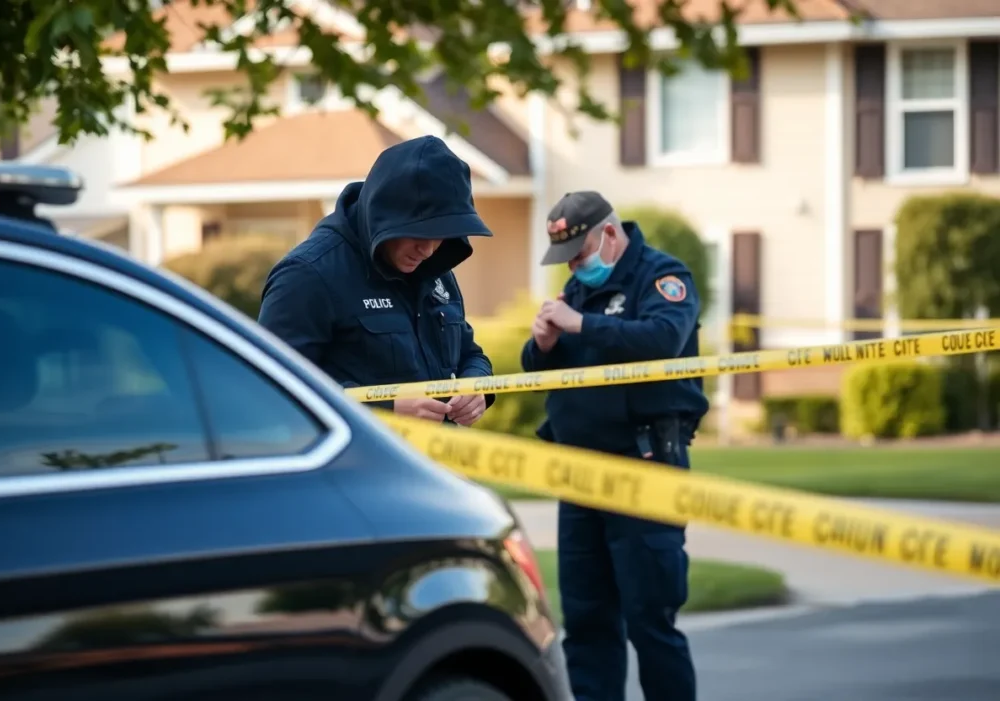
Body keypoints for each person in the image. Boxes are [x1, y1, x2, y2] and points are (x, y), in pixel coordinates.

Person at [521, 191, 710, 701]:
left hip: (644, 466)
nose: (576, 268)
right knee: (586, 622)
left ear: (608, 234)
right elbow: (542, 370)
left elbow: (662, 340)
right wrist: (540, 344)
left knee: (651, 622)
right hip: (581, 475)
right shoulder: (576, 291)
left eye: (579, 255)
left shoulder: (661, 277)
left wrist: (581, 325)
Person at [257, 135, 495, 426]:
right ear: (386, 215)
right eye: (420, 234)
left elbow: (469, 352)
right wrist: (384, 408)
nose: (429, 249)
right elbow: (271, 385)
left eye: (441, 234)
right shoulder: (307, 275)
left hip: (435, 464)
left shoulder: (434, 267)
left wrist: (477, 385)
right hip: (354, 466)